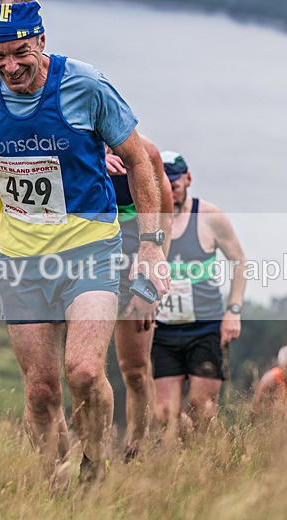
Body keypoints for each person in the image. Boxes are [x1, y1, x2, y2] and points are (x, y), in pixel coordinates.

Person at [0, 0, 169, 486]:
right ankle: (54, 482)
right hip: (21, 262)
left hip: (91, 249)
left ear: (41, 41)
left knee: (85, 372)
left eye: (20, 52)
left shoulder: (84, 86)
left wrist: (151, 248)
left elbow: (139, 160)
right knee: (42, 392)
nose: (10, 66)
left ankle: (95, 468)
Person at [151, 151, 247, 440]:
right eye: (163, 186)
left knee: (202, 409)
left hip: (205, 327)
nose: (170, 192)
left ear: (188, 179)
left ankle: (216, 458)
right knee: (165, 414)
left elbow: (240, 261)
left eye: (175, 185)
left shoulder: (209, 216)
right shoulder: (149, 218)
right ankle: (185, 461)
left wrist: (233, 311)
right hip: (164, 330)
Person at [105, 135, 173, 461]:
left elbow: (166, 216)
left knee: (133, 369)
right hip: (83, 264)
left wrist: (152, 283)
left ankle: (137, 450)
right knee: (81, 369)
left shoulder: (146, 153)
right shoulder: (69, 144)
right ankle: (91, 449)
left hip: (135, 268)